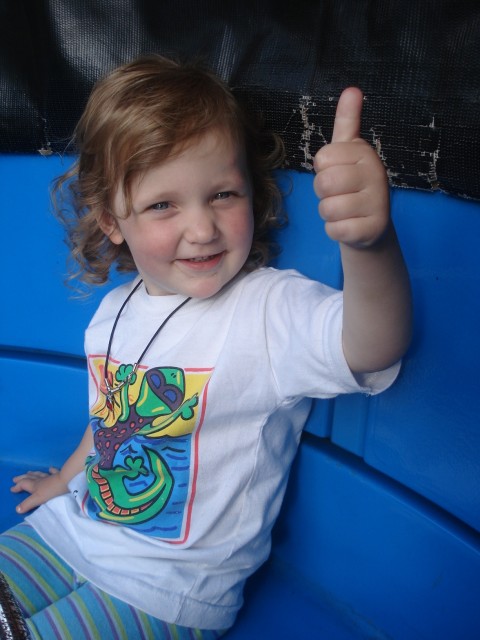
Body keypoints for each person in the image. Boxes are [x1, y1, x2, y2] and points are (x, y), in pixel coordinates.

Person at [2, 54, 412, 639]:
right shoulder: (115, 309)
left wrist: (369, 245)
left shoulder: (267, 308)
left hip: (169, 589)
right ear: (112, 219)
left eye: (222, 194)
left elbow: (371, 346)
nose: (201, 229)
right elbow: (111, 418)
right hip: (73, 527)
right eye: (162, 204)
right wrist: (64, 481)